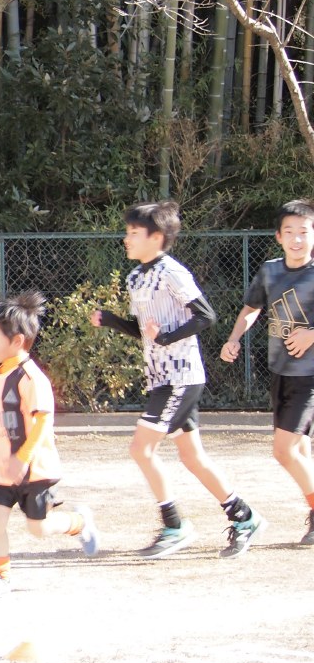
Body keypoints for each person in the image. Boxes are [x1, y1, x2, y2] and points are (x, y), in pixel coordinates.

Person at [90, 200, 265, 559]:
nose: (126, 238)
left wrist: (168, 337)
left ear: (156, 238)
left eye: (134, 233)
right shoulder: (135, 277)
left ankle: (174, 526)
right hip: (161, 378)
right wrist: (112, 321)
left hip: (180, 376)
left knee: (141, 449)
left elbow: (205, 316)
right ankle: (244, 517)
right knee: (192, 457)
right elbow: (145, 331)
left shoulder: (172, 272)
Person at [0, 291, 98, 601]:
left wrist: (23, 457)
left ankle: (79, 522)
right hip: (2, 472)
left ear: (17, 341)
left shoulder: (31, 378)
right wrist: (6, 461)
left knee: (38, 529)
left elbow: (43, 422)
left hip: (35, 471)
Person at [220, 199, 314, 545]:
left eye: (304, 232)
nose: (297, 239)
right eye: (290, 232)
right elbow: (251, 308)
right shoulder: (270, 271)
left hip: (310, 377)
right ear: (278, 236)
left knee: (283, 451)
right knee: (300, 449)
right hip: (280, 372)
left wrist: (311, 334)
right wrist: (233, 339)